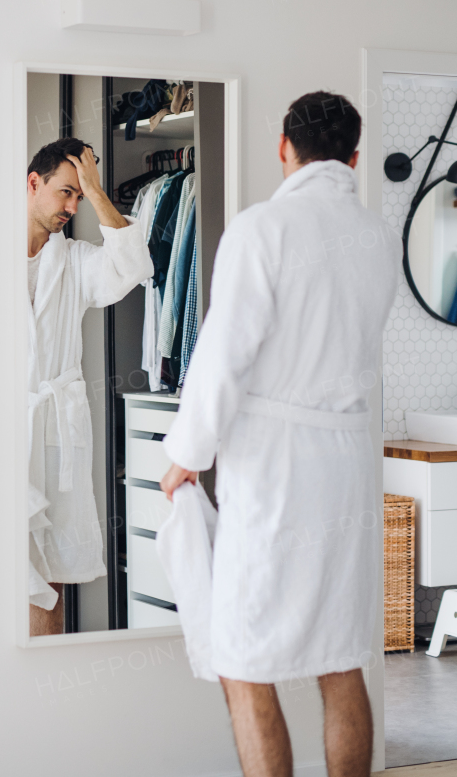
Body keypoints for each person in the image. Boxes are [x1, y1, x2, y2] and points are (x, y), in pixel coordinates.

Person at [159, 92, 400, 776]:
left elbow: (224, 354)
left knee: (241, 657)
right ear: (354, 157)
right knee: (340, 655)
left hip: (276, 470)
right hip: (347, 469)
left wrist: (185, 454)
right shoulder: (378, 238)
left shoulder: (262, 227)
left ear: (282, 148)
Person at [26, 137, 153, 636]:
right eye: (65, 193)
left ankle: (46, 684)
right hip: (4, 428)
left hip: (56, 431)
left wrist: (98, 192)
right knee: (0, 563)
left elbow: (132, 268)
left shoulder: (75, 260)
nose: (71, 207)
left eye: (79, 196)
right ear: (32, 183)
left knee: (53, 569)